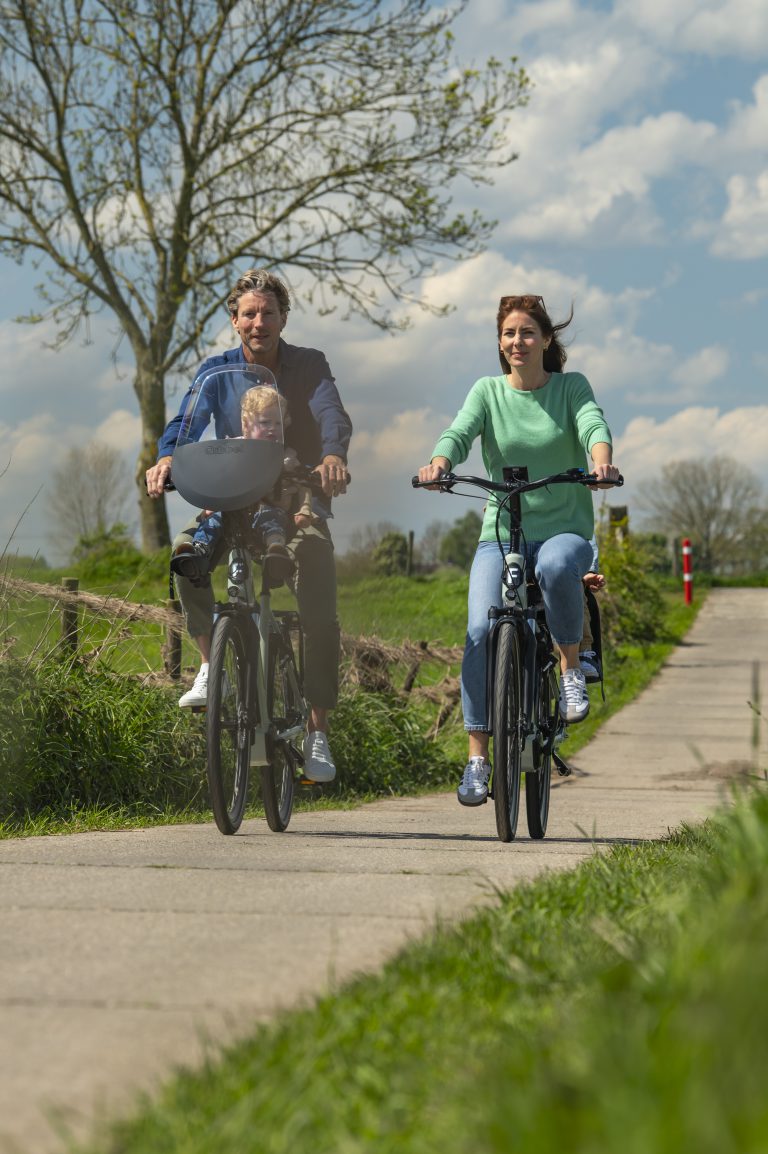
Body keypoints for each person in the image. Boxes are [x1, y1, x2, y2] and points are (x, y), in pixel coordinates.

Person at [146, 268, 352, 784]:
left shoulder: (308, 365)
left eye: (268, 313)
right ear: (234, 320)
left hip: (295, 493)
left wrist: (331, 455)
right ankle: (210, 664)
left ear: (283, 318)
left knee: (316, 573)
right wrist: (168, 458)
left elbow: (332, 412)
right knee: (185, 552)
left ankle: (317, 729)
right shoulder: (215, 371)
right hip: (233, 496)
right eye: (249, 313)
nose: (259, 322)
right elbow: (186, 421)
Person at [417, 293, 620, 807]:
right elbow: (460, 431)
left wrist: (601, 462)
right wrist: (440, 462)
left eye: (528, 332)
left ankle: (571, 669)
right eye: (508, 334)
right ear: (500, 342)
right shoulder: (488, 392)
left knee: (554, 566)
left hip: (565, 532)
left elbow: (593, 423)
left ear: (547, 340)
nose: (517, 342)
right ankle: (478, 761)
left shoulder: (570, 388)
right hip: (500, 534)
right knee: (481, 629)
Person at [171, 386, 313, 590]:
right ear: (246, 425)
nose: (273, 428)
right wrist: (210, 501)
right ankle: (198, 552)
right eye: (265, 423)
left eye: (278, 423)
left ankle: (276, 552)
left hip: (267, 507)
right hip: (233, 510)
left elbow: (302, 485)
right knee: (214, 520)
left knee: (270, 518)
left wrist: (305, 508)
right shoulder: (233, 450)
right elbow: (220, 477)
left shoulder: (285, 455)